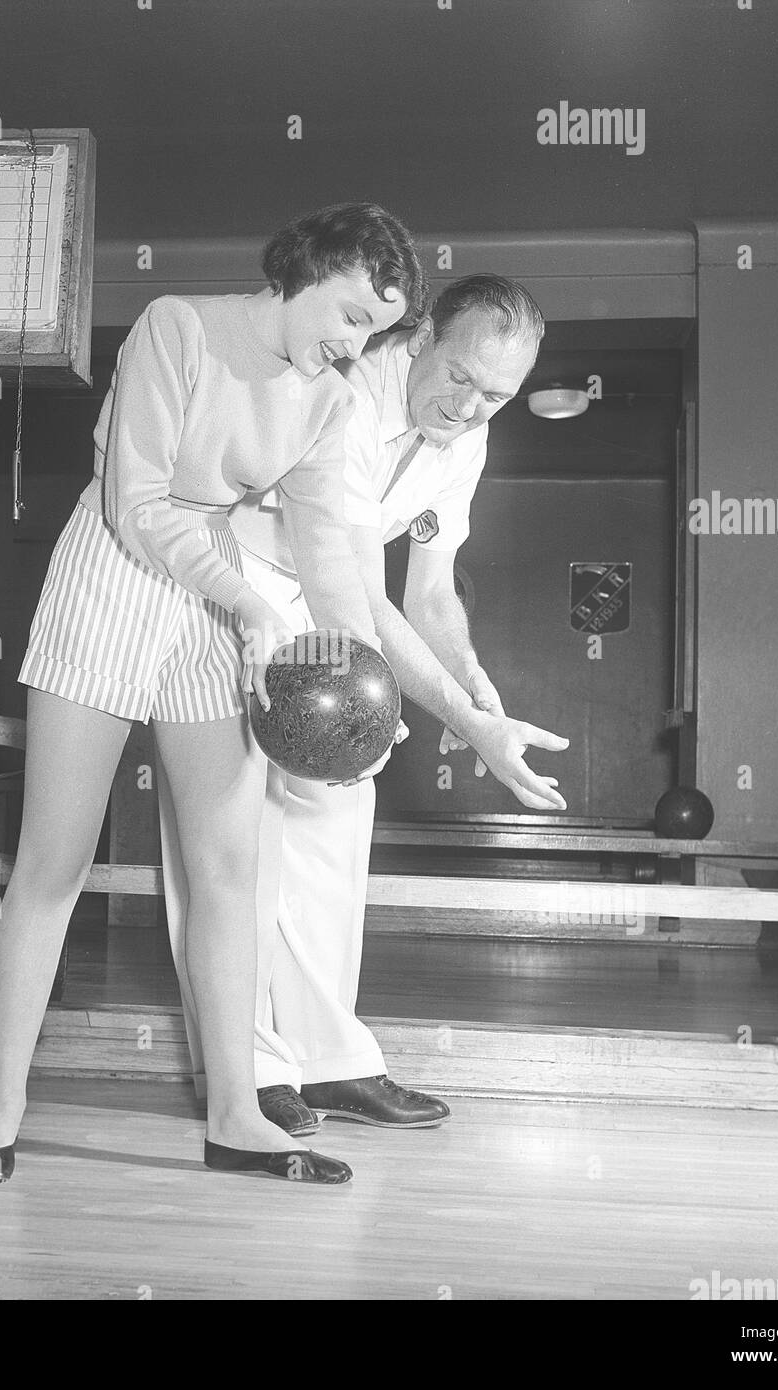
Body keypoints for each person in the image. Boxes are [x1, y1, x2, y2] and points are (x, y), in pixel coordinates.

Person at [0, 203, 425, 1185]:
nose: (354, 346)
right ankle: (2, 1108)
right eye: (347, 316)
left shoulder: (332, 401)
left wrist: (365, 685)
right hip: (113, 573)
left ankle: (236, 1114)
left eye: (372, 334)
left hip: (218, 596)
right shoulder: (177, 325)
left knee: (229, 869)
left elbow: (327, 556)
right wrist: (252, 603)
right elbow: (137, 501)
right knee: (53, 857)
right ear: (307, 269)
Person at [159, 274, 568, 1135]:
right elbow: (357, 592)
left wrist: (476, 688)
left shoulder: (463, 439)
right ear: (419, 340)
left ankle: (329, 1061)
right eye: (459, 376)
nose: (470, 404)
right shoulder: (346, 392)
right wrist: (463, 718)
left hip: (329, 612)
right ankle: (247, 1069)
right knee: (233, 840)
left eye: (498, 394)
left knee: (335, 828)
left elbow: (428, 591)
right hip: (232, 591)